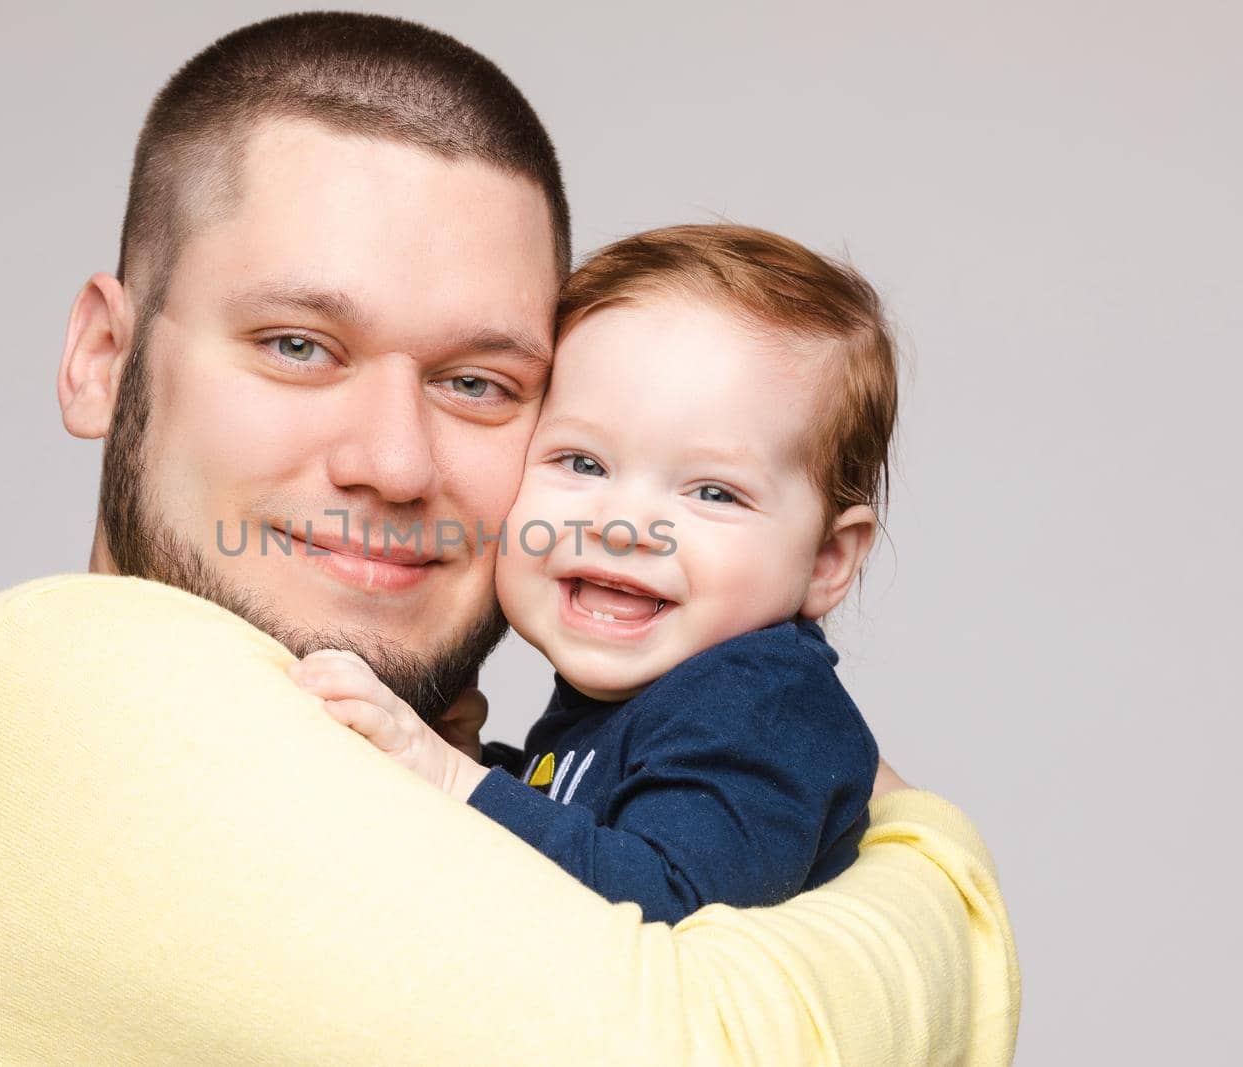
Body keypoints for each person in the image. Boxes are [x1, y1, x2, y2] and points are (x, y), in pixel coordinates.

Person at [0, 12, 1021, 1064]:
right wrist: (933, 860)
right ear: (101, 358)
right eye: (297, 344)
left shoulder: (471, 771)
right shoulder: (61, 685)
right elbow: (698, 1043)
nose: (391, 462)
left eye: (480, 382)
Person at [292, 223, 891, 924]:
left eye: (713, 492)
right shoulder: (658, 693)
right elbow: (597, 831)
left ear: (827, 560)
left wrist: (451, 777)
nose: (622, 524)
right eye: (583, 463)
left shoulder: (761, 707)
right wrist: (478, 762)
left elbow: (669, 908)